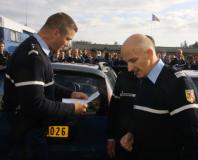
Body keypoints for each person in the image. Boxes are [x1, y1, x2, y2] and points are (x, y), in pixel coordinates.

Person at [1, 12, 88, 160]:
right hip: (26, 135)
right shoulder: (33, 56)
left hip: (29, 131)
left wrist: (70, 94)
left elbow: (46, 85)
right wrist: (73, 108)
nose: (68, 44)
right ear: (55, 33)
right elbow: (35, 104)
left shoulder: (38, 52)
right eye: (68, 39)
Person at [120, 34, 198, 160]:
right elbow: (150, 120)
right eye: (127, 62)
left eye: (133, 60)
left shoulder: (178, 82)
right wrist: (133, 133)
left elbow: (194, 140)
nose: (129, 68)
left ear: (149, 53)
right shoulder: (143, 80)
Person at [107, 71, 138, 160]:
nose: (129, 67)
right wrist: (111, 138)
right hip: (122, 143)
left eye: (132, 60)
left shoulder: (157, 79)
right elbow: (113, 109)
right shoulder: (122, 77)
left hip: (146, 145)